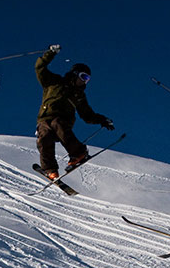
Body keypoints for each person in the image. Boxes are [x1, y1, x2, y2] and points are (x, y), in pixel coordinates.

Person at [33, 45, 114, 180]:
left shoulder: (78, 95)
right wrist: (50, 54)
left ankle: (79, 153)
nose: (84, 81)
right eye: (83, 76)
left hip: (62, 121)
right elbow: (39, 68)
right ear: (75, 74)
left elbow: (87, 115)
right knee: (44, 136)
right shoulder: (54, 82)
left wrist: (102, 119)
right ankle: (50, 170)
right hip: (44, 118)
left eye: (87, 79)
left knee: (56, 123)